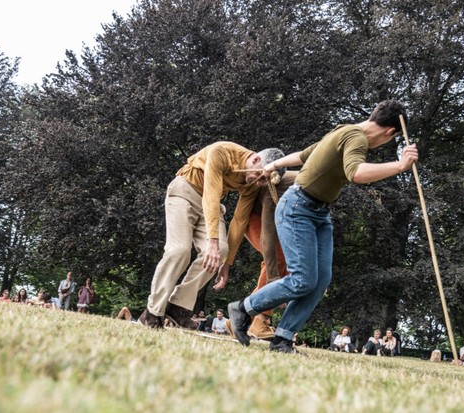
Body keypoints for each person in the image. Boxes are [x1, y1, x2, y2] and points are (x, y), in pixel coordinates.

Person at [228, 100, 419, 353]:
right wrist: (400, 166)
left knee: (319, 281)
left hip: (318, 213)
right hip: (299, 208)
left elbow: (305, 155)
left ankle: (282, 338)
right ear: (390, 133)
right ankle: (243, 308)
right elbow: (356, 173)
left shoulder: (342, 130)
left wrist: (273, 164)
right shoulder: (356, 138)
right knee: (302, 279)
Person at [139, 143, 285, 330]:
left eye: (263, 181)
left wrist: (227, 263)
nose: (257, 183)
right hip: (185, 192)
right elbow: (211, 194)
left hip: (211, 206)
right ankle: (152, 312)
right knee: (179, 251)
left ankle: (178, 307)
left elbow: (239, 221)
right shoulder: (222, 152)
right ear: (256, 159)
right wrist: (212, 243)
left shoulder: (252, 181)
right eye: (259, 176)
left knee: (222, 250)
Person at [239, 170, 298, 340]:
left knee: (284, 262)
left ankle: (241, 318)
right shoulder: (278, 187)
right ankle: (260, 319)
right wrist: (274, 283)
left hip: (276, 220)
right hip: (256, 218)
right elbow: (267, 236)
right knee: (277, 258)